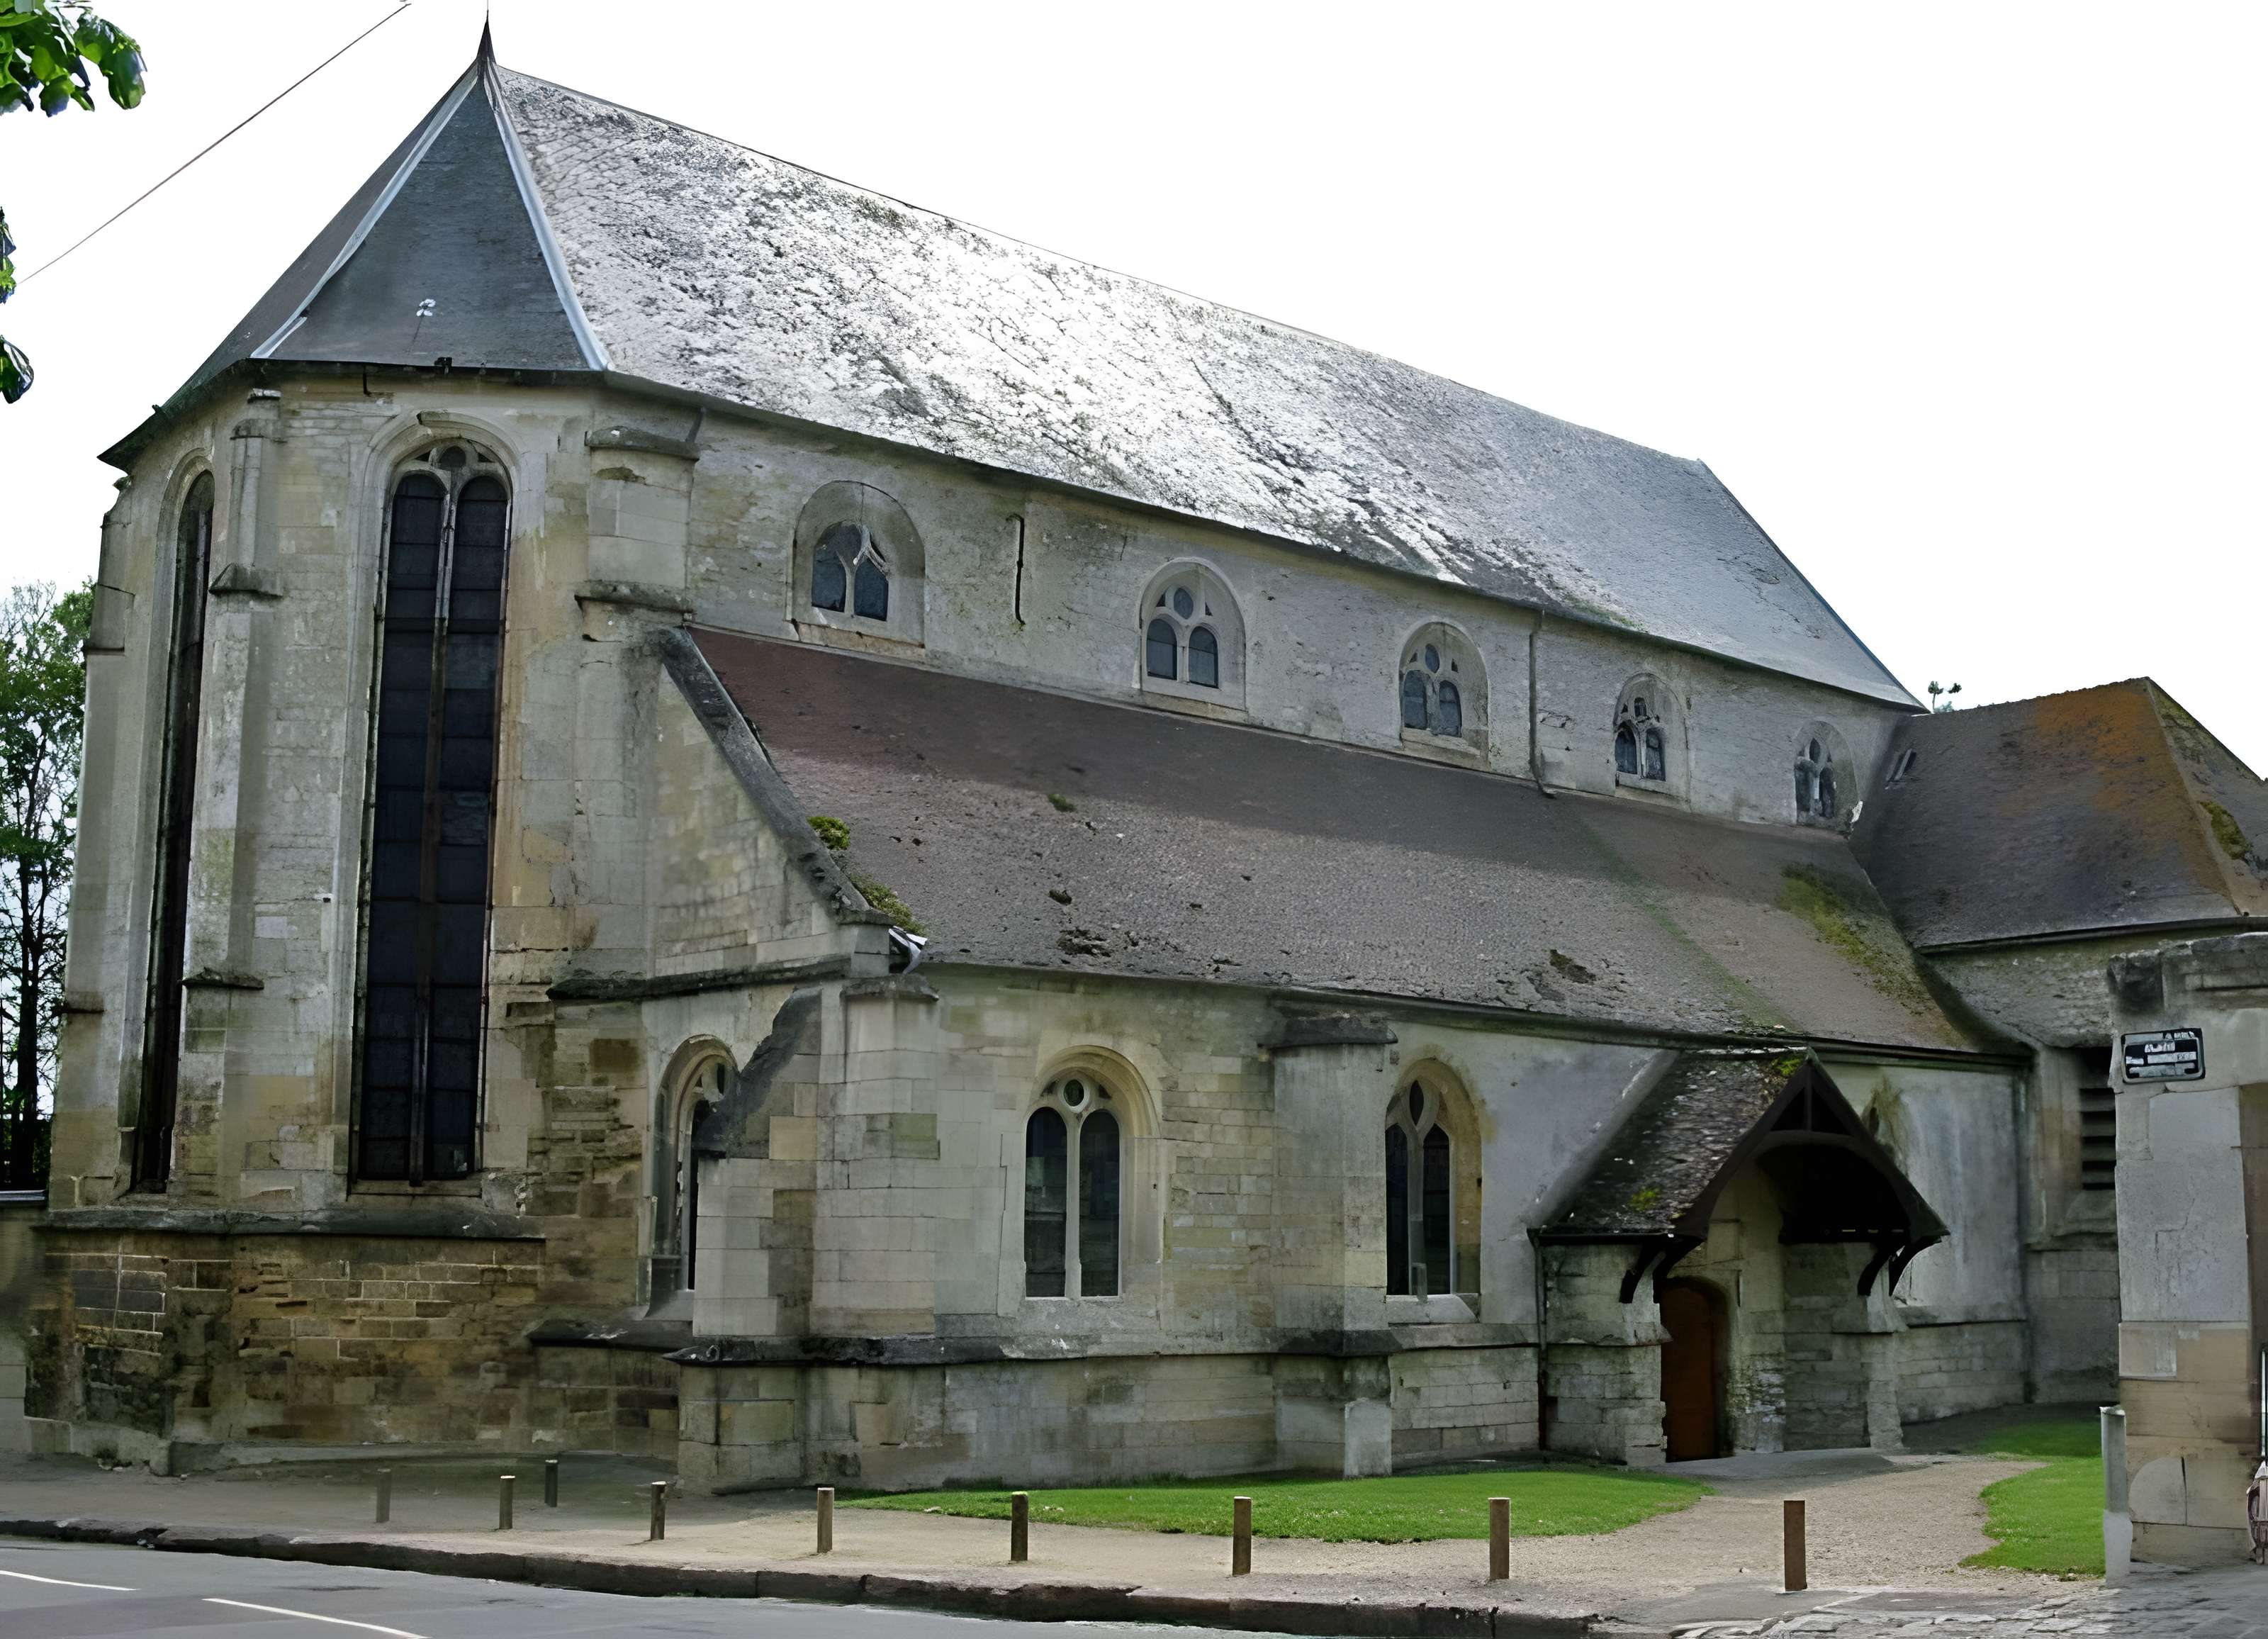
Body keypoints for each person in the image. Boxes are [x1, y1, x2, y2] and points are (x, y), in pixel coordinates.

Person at [2250, 1460, 2268, 1565]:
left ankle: (2263, 1559)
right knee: (2260, 1540)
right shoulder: (2256, 1498)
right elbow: (2253, 1489)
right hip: (2260, 1517)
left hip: (2262, 1516)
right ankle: (2260, 1559)